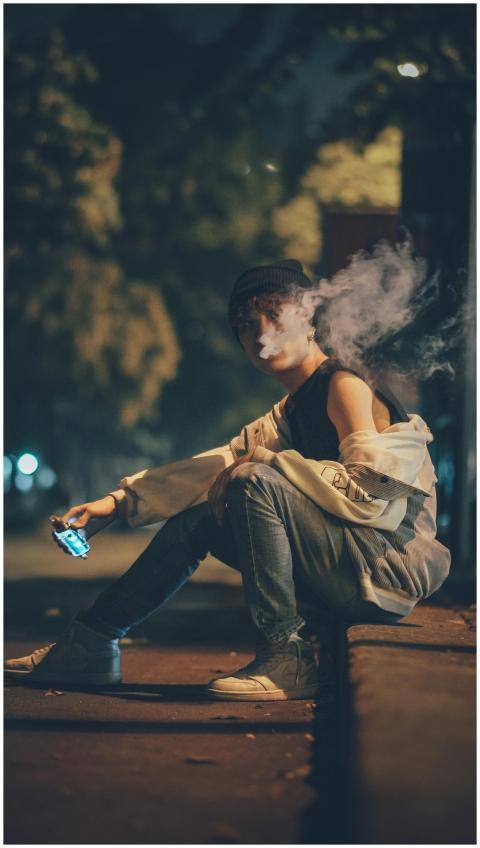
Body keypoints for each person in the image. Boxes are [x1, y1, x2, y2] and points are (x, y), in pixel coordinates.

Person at [5, 259, 451, 700]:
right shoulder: (290, 411)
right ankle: (92, 642)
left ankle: (285, 655)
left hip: (383, 569)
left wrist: (262, 466)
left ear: (307, 316)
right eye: (245, 325)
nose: (260, 335)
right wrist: (114, 505)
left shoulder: (343, 385)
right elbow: (213, 466)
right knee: (202, 515)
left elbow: (369, 494)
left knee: (253, 479)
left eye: (273, 316)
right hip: (348, 565)